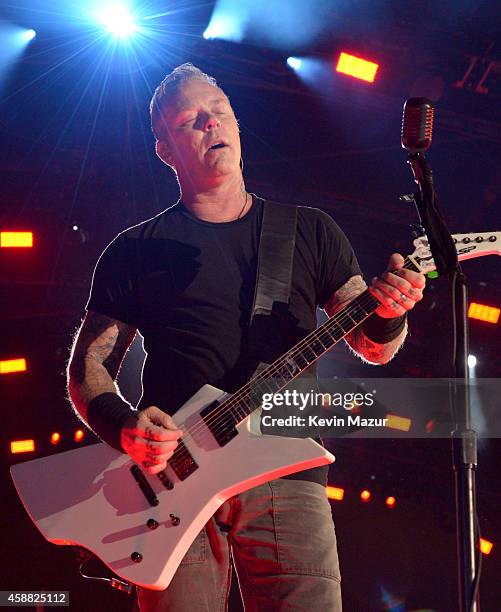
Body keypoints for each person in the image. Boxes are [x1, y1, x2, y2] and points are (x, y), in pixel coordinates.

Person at [67, 63, 426, 611]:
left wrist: (392, 311)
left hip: (286, 464)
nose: (212, 126)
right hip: (173, 474)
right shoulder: (135, 249)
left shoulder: (310, 230)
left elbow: (374, 345)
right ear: (165, 149)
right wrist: (124, 428)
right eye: (192, 121)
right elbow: (88, 366)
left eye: (220, 114)